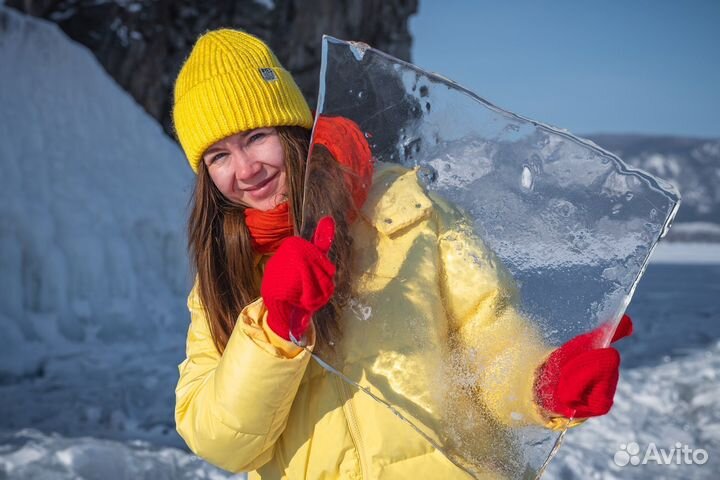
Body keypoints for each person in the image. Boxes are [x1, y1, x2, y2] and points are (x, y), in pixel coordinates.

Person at [172, 29, 633, 479]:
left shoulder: (406, 209)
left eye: (256, 137)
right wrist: (274, 330)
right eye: (219, 156)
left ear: (294, 129)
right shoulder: (223, 274)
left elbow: (488, 334)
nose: (247, 169)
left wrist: (541, 381)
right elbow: (223, 442)